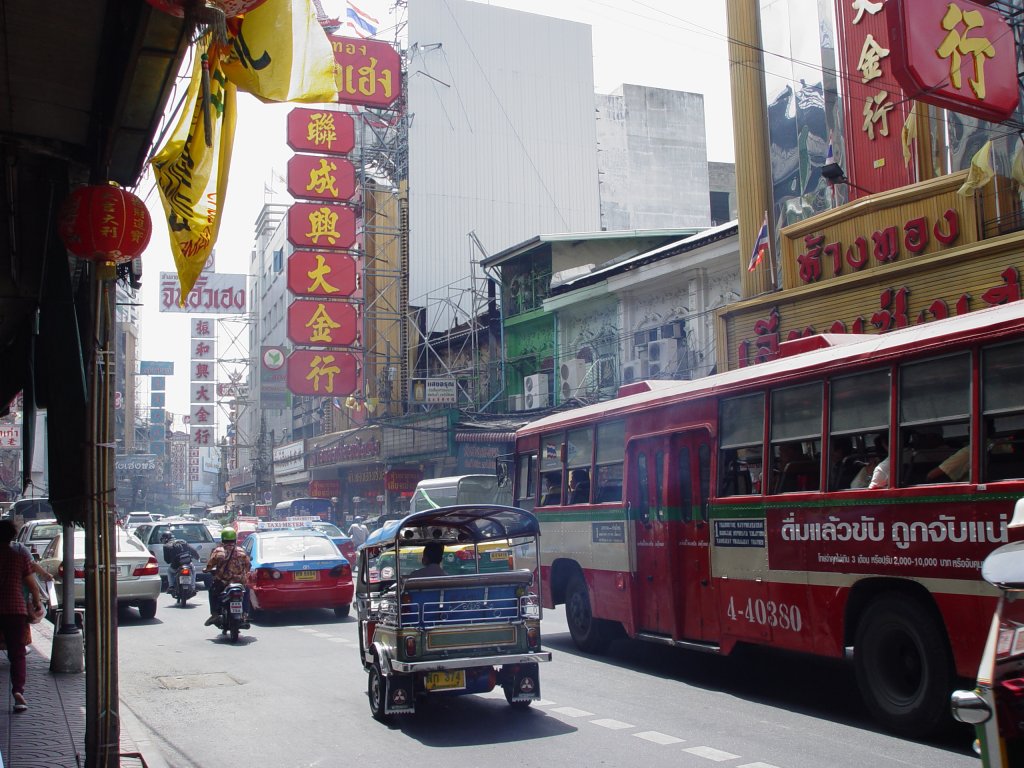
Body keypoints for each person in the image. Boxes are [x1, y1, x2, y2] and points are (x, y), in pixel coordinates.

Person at [0, 519, 44, 713]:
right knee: (17, 653)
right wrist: (37, 602)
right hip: (15, 609)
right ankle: (18, 692)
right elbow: (32, 584)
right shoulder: (19, 556)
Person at [203, 528, 251, 626]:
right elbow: (248, 566)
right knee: (247, 592)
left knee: (212, 591)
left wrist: (206, 570)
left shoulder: (218, 551)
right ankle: (245, 614)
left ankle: (215, 614)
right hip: (240, 583)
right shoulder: (242, 551)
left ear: (223, 538)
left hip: (223, 582)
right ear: (235, 539)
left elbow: (210, 565)